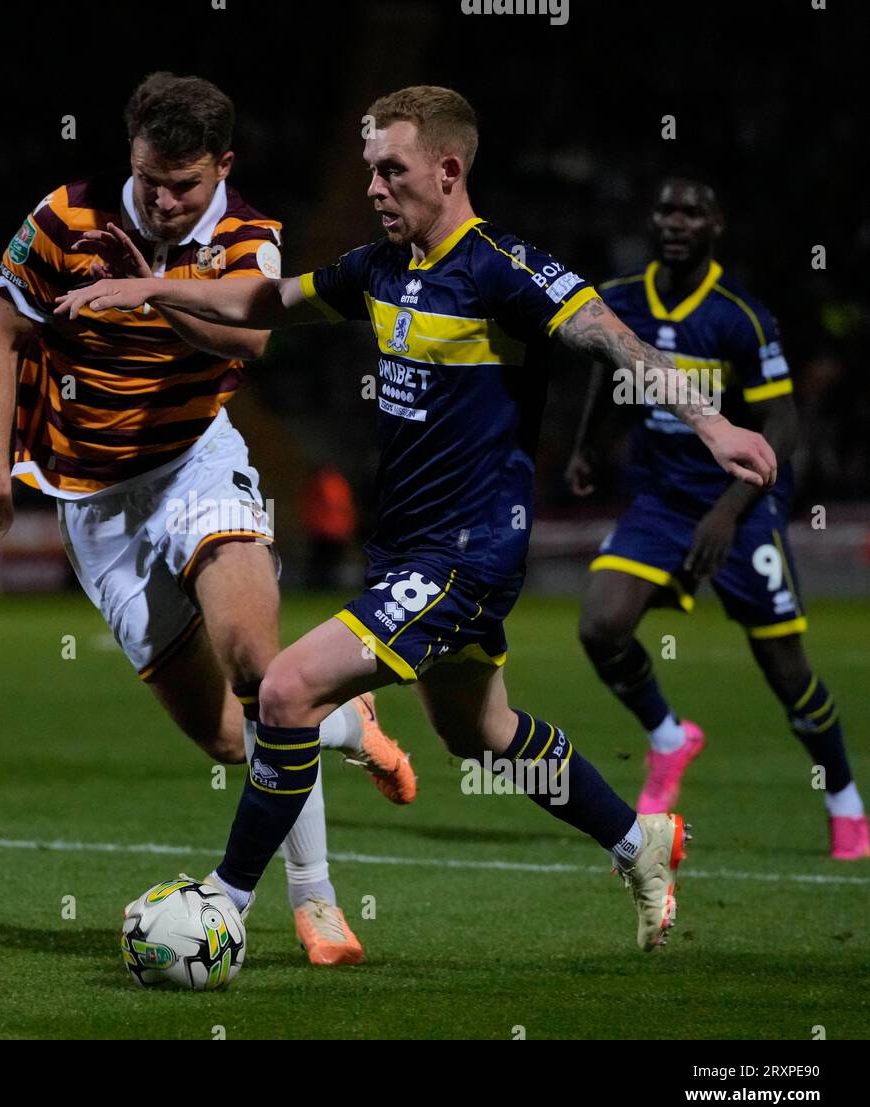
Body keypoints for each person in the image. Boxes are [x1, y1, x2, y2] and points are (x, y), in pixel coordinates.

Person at [57, 86, 780, 950]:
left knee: (284, 689)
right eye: (367, 170)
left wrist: (711, 421)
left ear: (447, 169)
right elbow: (263, 302)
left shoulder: (500, 267)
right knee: (480, 731)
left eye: (390, 170)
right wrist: (149, 286)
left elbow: (609, 335)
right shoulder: (380, 268)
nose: (373, 188)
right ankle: (639, 841)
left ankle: (224, 905)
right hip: (407, 547)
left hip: (467, 556)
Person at [0, 73, 417, 965]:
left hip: (196, 465)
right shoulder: (62, 219)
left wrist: (154, 290)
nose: (166, 203)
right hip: (90, 501)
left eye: (186, 186)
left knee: (259, 664)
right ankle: (346, 723)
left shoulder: (250, 233)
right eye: (150, 180)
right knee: (223, 734)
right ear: (129, 155)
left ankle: (315, 901)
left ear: (223, 167)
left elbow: (250, 341)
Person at [566, 175, 866, 860]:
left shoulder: (739, 315)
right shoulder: (618, 300)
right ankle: (669, 737)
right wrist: (586, 445)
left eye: (691, 212)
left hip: (743, 505)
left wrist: (731, 512)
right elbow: (604, 371)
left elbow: (783, 421)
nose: (674, 221)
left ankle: (844, 798)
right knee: (600, 624)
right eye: (665, 208)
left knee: (786, 670)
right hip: (660, 499)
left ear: (715, 226)